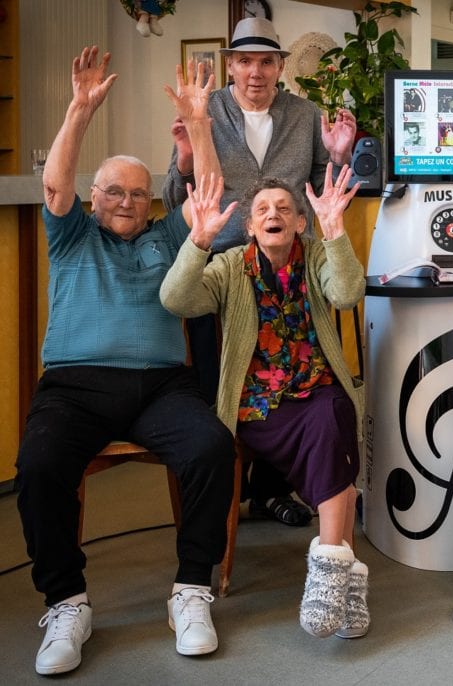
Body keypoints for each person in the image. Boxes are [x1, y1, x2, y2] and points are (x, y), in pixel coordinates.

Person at [15, 46, 235, 676]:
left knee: (212, 448)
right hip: (74, 386)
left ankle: (191, 590)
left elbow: (209, 193)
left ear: (150, 202)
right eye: (114, 191)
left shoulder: (168, 235)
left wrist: (200, 123)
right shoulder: (71, 234)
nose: (127, 201)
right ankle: (66, 602)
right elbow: (55, 182)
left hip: (162, 387)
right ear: (95, 196)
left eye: (139, 194)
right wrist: (79, 111)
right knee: (39, 464)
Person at [162, 17, 358, 527]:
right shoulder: (206, 110)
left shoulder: (303, 114)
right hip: (223, 271)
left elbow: (322, 189)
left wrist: (338, 157)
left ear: (280, 67)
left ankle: (273, 490)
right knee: (224, 380)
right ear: (230, 66)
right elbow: (172, 197)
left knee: (298, 371)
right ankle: (220, 496)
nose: (256, 72)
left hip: (293, 267)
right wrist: (184, 160)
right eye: (245, 61)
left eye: (266, 62)